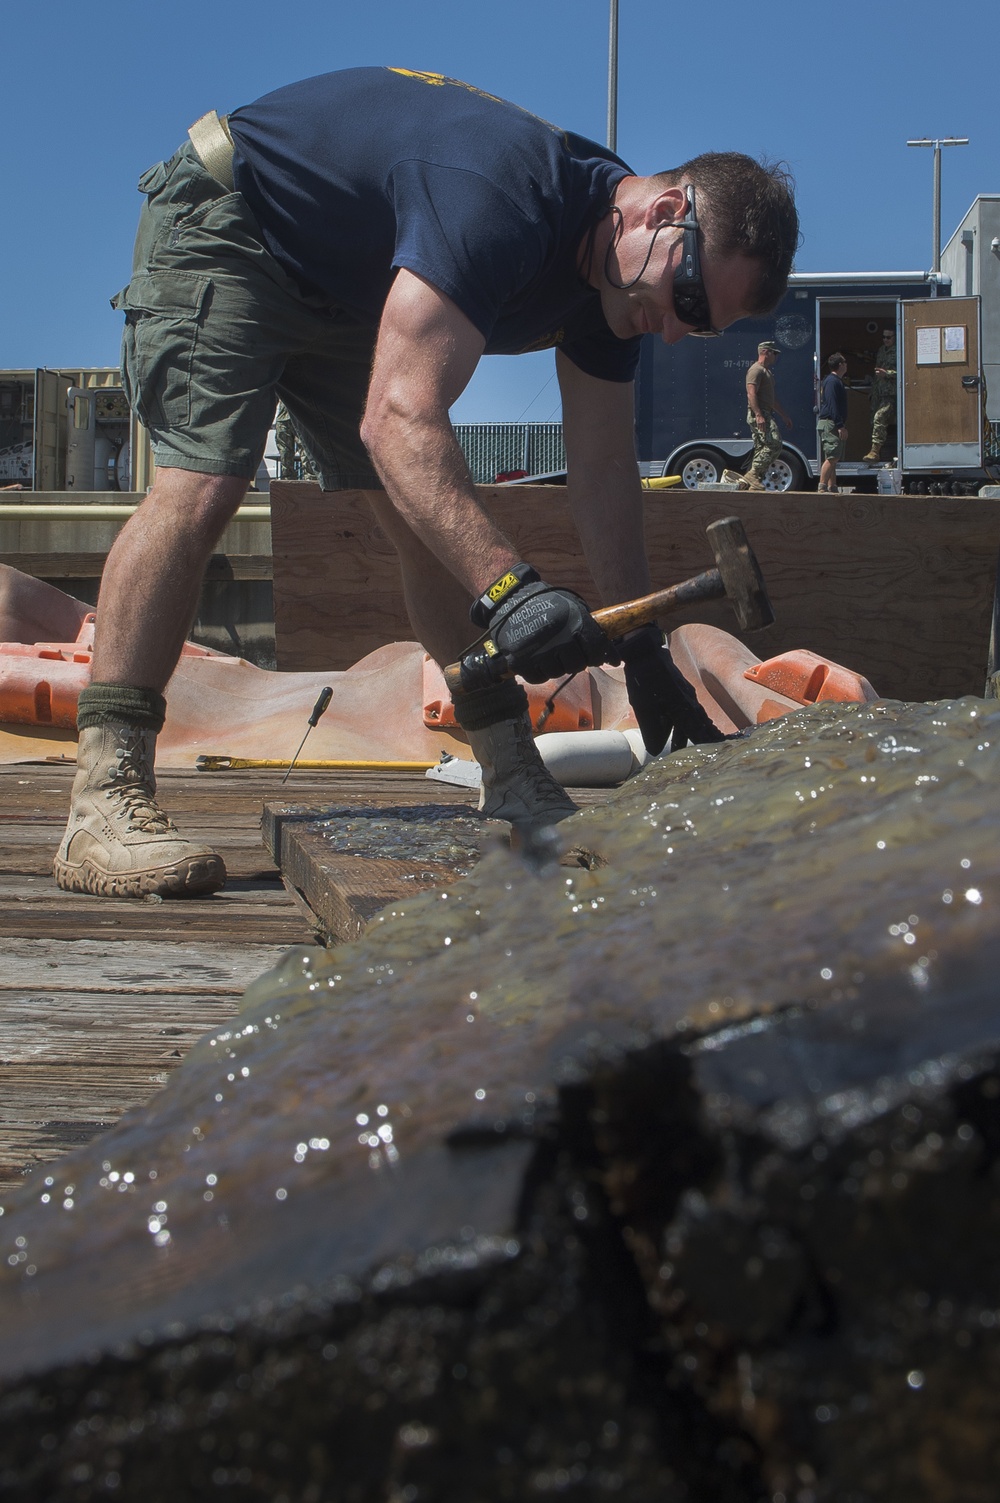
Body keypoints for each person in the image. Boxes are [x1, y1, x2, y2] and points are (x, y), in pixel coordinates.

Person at [53, 67, 798, 899]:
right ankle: (104, 802)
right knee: (205, 483)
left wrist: (644, 656)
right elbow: (398, 421)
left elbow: (600, 472)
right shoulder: (505, 195)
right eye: (686, 296)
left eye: (698, 326)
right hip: (237, 222)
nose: (672, 329)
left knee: (421, 518)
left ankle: (512, 772)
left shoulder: (615, 289)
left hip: (344, 285)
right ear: (662, 214)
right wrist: (511, 592)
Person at [740, 339, 792, 491]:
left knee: (761, 447)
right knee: (774, 443)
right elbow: (751, 393)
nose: (775, 356)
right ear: (765, 352)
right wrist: (758, 415)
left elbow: (772, 399)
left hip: (766, 412)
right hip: (760, 413)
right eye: (774, 353)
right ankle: (753, 474)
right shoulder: (756, 370)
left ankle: (752, 482)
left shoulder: (766, 372)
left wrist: (783, 415)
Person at [863, 327, 896, 463]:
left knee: (879, 417)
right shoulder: (882, 350)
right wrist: (873, 391)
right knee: (874, 421)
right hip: (879, 392)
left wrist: (887, 374)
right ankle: (878, 453)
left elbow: (906, 372)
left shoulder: (899, 350)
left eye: (889, 337)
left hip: (892, 394)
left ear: (895, 338)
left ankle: (875, 452)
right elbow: (877, 373)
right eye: (884, 337)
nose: (886, 340)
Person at [818, 353, 849, 493]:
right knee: (832, 456)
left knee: (832, 458)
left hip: (831, 423)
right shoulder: (832, 381)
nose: (846, 365)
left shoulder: (834, 381)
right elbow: (832, 404)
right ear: (840, 365)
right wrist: (840, 425)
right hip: (830, 423)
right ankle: (822, 487)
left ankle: (832, 486)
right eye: (845, 362)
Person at [274, 401, 319, 483]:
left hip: (300, 417)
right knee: (284, 454)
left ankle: (310, 481)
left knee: (306, 452)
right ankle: (287, 481)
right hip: (283, 419)